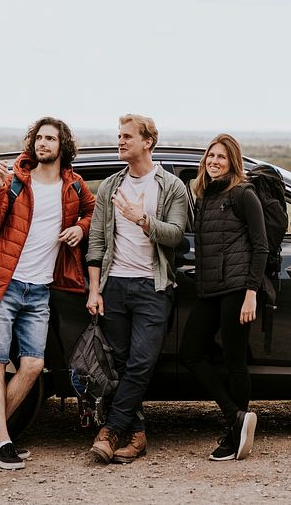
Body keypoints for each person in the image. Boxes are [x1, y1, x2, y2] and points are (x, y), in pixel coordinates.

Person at [0, 117, 95, 470]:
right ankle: (4, 441)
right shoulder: (13, 182)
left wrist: (79, 228)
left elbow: (92, 211)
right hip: (1, 285)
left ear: (62, 146)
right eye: (38, 137)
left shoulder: (73, 186)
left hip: (39, 290)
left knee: (34, 365)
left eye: (50, 138)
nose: (42, 143)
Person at [84, 114, 190, 464]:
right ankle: (138, 435)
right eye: (119, 136)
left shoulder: (171, 186)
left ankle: (110, 431)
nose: (120, 141)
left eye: (128, 136)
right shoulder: (110, 187)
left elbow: (176, 235)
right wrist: (95, 290)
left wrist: (141, 218)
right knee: (122, 364)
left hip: (153, 286)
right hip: (114, 286)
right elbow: (97, 242)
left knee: (142, 363)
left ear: (148, 141)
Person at [180, 134, 267, 460]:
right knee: (191, 353)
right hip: (209, 289)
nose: (214, 161)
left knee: (234, 362)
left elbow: (260, 246)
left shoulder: (243, 194)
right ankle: (236, 417)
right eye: (211, 156)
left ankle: (234, 435)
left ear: (233, 162)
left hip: (235, 290)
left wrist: (250, 294)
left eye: (221, 157)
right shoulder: (205, 196)